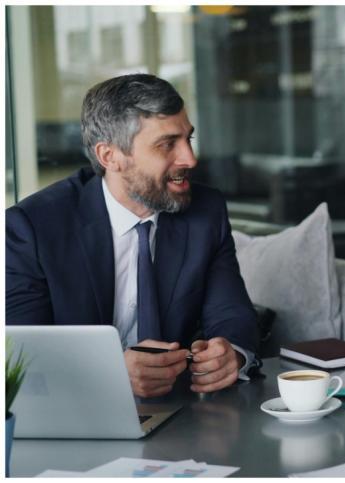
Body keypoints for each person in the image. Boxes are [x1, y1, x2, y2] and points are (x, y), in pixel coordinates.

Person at [6, 74, 258, 398]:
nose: (190, 159)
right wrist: (109, 371)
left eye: (188, 138)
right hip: (74, 410)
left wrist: (232, 354)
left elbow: (232, 313)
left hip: (178, 410)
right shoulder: (32, 228)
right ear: (110, 156)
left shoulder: (205, 212)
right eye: (167, 144)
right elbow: (20, 356)